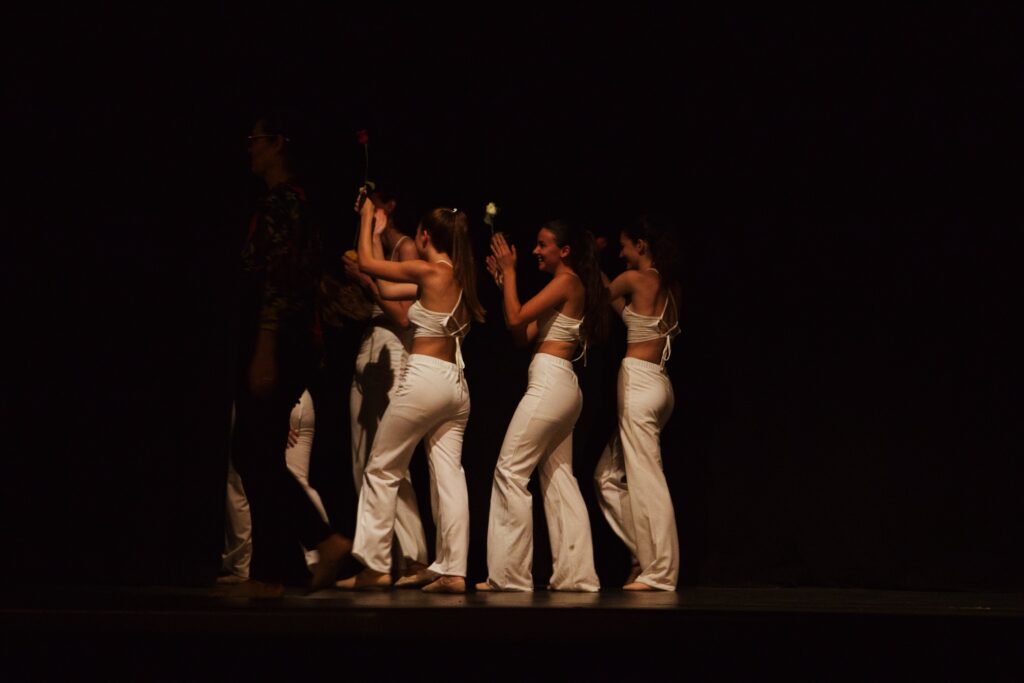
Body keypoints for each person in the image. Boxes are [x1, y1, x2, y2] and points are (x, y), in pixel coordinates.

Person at [338, 197, 484, 593]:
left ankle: (374, 566)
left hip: (425, 379)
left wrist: (367, 218)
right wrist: (377, 233)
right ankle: (454, 571)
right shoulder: (458, 277)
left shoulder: (428, 270)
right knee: (450, 476)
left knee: (381, 467)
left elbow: (368, 264)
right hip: (456, 387)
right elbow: (385, 286)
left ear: (425, 237)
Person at [232, 111, 350, 592]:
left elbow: (280, 282)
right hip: (289, 339)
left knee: (253, 451)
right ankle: (277, 568)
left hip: (280, 340)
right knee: (258, 451)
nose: (249, 147)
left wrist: (265, 348)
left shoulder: (285, 204)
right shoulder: (291, 203)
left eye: (255, 139)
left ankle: (321, 540)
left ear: (278, 143)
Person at [477, 220, 607, 592]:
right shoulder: (565, 285)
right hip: (560, 385)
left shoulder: (566, 281)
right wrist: (505, 283)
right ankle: (576, 575)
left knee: (510, 470)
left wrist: (510, 272)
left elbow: (516, 317)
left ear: (563, 251)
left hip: (551, 383)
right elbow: (523, 334)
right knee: (560, 479)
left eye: (542, 244)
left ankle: (510, 575)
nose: (535, 250)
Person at [342, 187, 432, 587]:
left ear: (390, 206)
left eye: (372, 203)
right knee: (363, 460)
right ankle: (385, 559)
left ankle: (411, 558)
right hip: (372, 345)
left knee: (388, 460)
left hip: (394, 351)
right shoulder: (379, 243)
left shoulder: (408, 247)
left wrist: (366, 280)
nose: (364, 208)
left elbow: (403, 316)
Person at [593, 215, 681, 591]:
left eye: (624, 246)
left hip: (639, 384)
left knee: (647, 479)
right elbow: (629, 316)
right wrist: (599, 271)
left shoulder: (632, 279)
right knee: (606, 477)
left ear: (641, 245)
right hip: (660, 385)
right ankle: (644, 558)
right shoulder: (669, 286)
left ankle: (660, 572)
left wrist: (589, 258)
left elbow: (593, 302)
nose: (621, 253)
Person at [221, 390, 330, 581]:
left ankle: (241, 566)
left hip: (270, 401)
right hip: (297, 399)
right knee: (297, 481)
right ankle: (315, 558)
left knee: (242, 482)